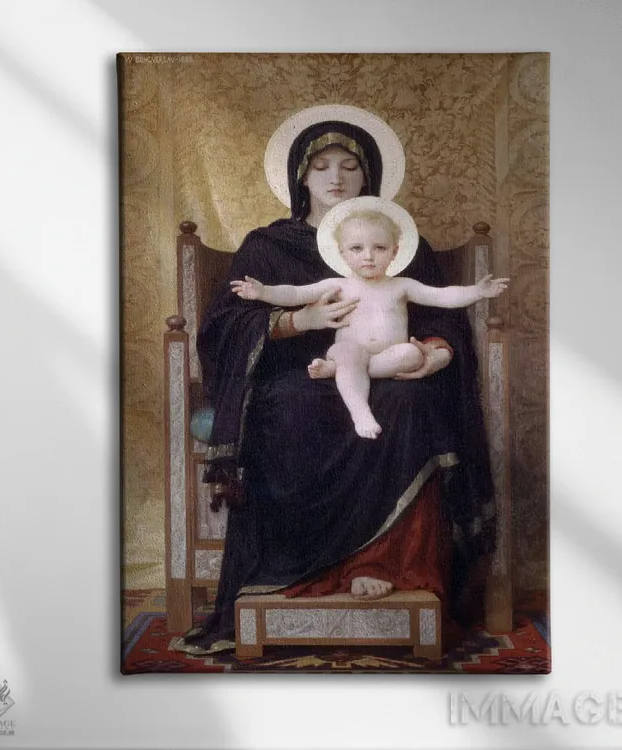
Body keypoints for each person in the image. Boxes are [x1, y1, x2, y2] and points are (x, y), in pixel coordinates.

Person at [175, 105, 495, 654]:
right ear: (300, 177)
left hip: (391, 369)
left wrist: (437, 353)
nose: (336, 178)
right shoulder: (267, 245)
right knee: (292, 407)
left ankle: (384, 562)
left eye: (350, 165)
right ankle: (295, 567)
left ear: (369, 175)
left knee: (411, 403)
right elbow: (224, 323)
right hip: (293, 375)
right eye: (321, 166)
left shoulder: (399, 243)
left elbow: (442, 315)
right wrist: (299, 321)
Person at [230, 201, 509, 439]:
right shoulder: (338, 285)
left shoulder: (402, 286)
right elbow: (294, 294)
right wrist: (263, 292)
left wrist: (477, 292)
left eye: (379, 248)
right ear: (342, 253)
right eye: (357, 248)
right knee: (348, 354)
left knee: (412, 354)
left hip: (387, 359)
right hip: (349, 351)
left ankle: (338, 371)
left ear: (395, 252)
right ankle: (360, 411)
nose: (368, 256)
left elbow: (442, 296)